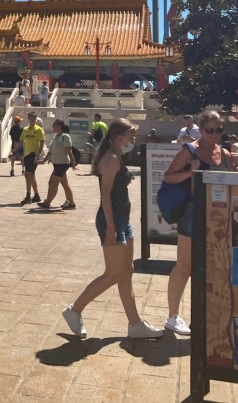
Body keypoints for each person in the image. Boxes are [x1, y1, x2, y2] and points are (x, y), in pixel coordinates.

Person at [63, 118, 164, 340]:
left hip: (122, 220)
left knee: (127, 272)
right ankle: (75, 309)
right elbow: (105, 195)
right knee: (113, 274)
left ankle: (135, 324)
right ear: (119, 138)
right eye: (131, 137)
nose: (133, 141)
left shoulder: (117, 157)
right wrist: (110, 227)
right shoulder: (112, 160)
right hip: (113, 221)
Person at [162, 110, 238, 336]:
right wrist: (190, 174)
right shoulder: (189, 151)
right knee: (185, 266)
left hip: (220, 217)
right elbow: (168, 176)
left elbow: (232, 184)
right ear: (200, 129)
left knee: (218, 267)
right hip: (193, 214)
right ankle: (172, 316)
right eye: (210, 130)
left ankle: (214, 313)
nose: (215, 135)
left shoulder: (226, 154)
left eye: (219, 130)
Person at [38, 119, 77, 209]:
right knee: (64, 184)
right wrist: (43, 161)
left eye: (54, 125)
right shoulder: (55, 136)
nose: (52, 127)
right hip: (56, 163)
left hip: (62, 164)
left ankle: (47, 202)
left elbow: (69, 151)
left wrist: (73, 163)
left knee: (53, 183)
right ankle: (72, 203)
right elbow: (50, 151)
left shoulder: (65, 136)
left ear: (59, 126)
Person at [20, 112, 44, 205]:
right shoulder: (25, 129)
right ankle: (36, 195)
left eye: (34, 118)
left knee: (27, 175)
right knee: (32, 176)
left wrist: (38, 154)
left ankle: (28, 196)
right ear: (28, 119)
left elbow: (41, 143)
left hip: (33, 155)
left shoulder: (39, 130)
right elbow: (21, 142)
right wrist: (14, 151)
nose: (32, 120)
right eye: (30, 118)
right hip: (26, 155)